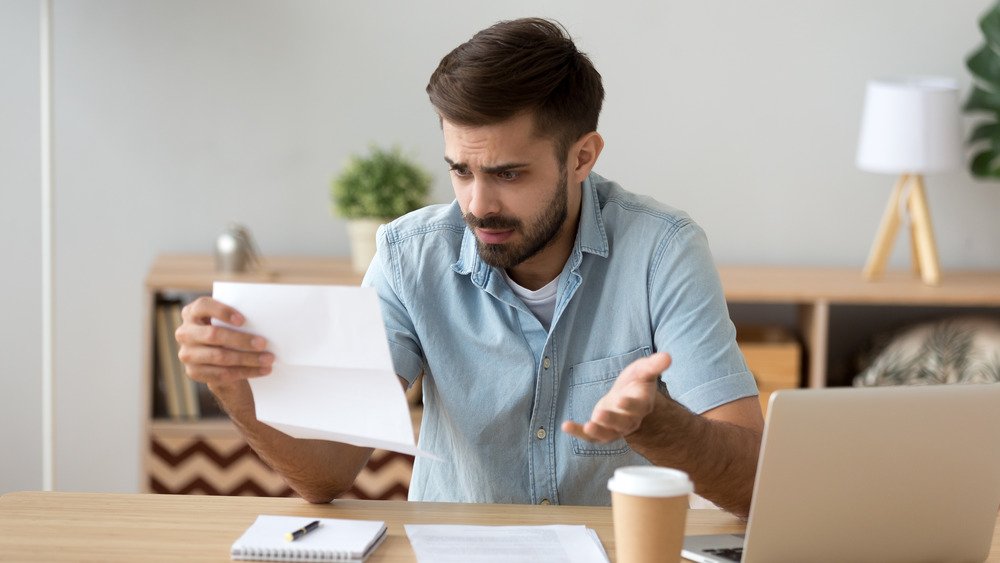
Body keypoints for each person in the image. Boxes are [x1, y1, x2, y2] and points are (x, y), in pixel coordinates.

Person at [176, 17, 764, 517]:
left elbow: (752, 482)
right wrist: (233, 388)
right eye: (461, 170)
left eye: (508, 174)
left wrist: (660, 425)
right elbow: (328, 475)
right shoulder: (409, 258)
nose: (478, 205)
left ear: (582, 157)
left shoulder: (663, 253)